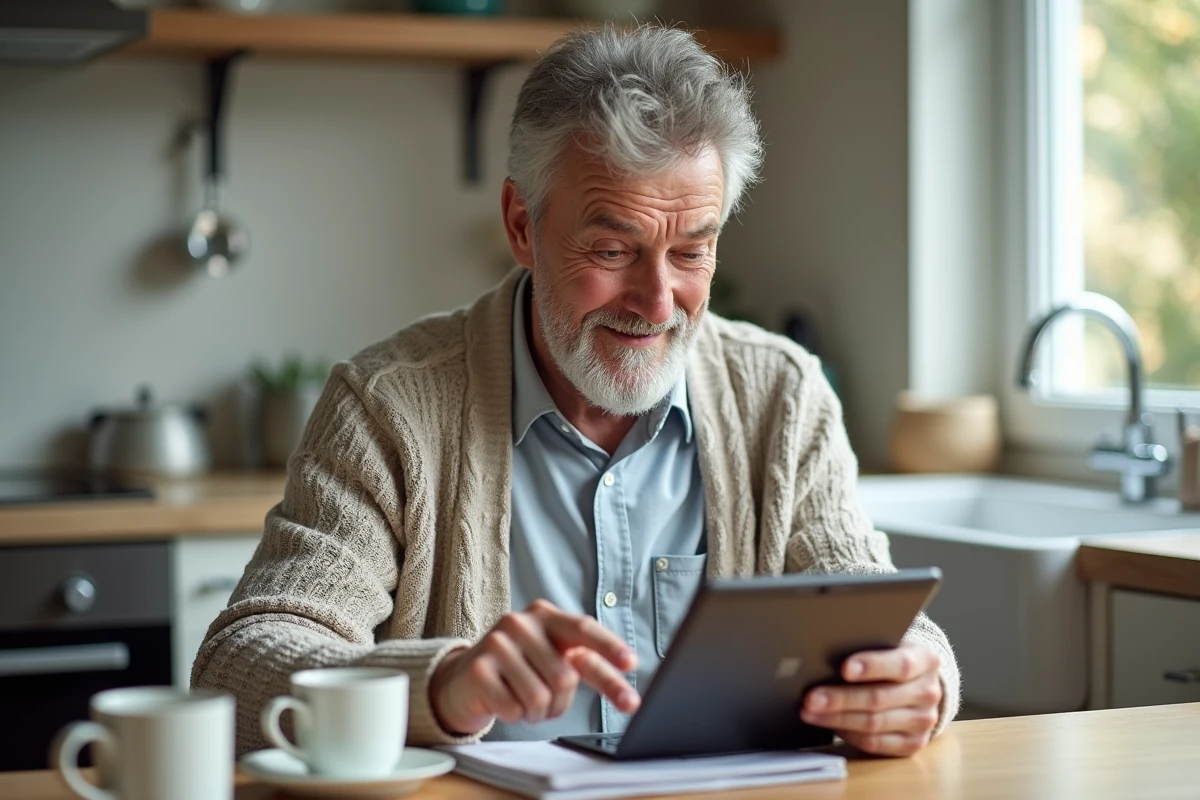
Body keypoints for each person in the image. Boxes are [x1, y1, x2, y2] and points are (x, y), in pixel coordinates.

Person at [194, 24, 959, 759]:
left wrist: (919, 678)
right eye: (613, 249)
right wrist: (443, 685)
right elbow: (240, 663)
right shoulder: (387, 407)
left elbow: (879, 621)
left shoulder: (783, 399)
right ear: (522, 225)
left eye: (692, 252)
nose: (657, 302)